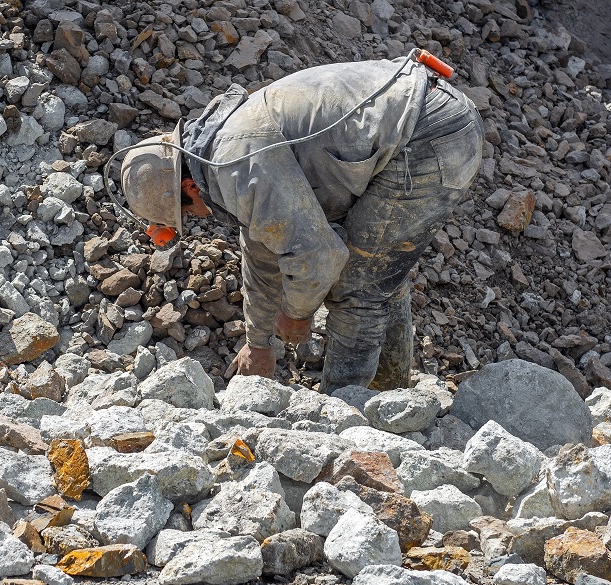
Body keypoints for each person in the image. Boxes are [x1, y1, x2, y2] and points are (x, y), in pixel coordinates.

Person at [117, 55, 482, 393]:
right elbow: (261, 250)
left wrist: (296, 315)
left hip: (428, 133)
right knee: (379, 269)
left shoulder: (235, 164)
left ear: (187, 186)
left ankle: (345, 416)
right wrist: (258, 342)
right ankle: (388, 391)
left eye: (187, 213)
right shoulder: (219, 153)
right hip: (423, 112)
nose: (197, 219)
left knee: (356, 286)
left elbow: (317, 257)